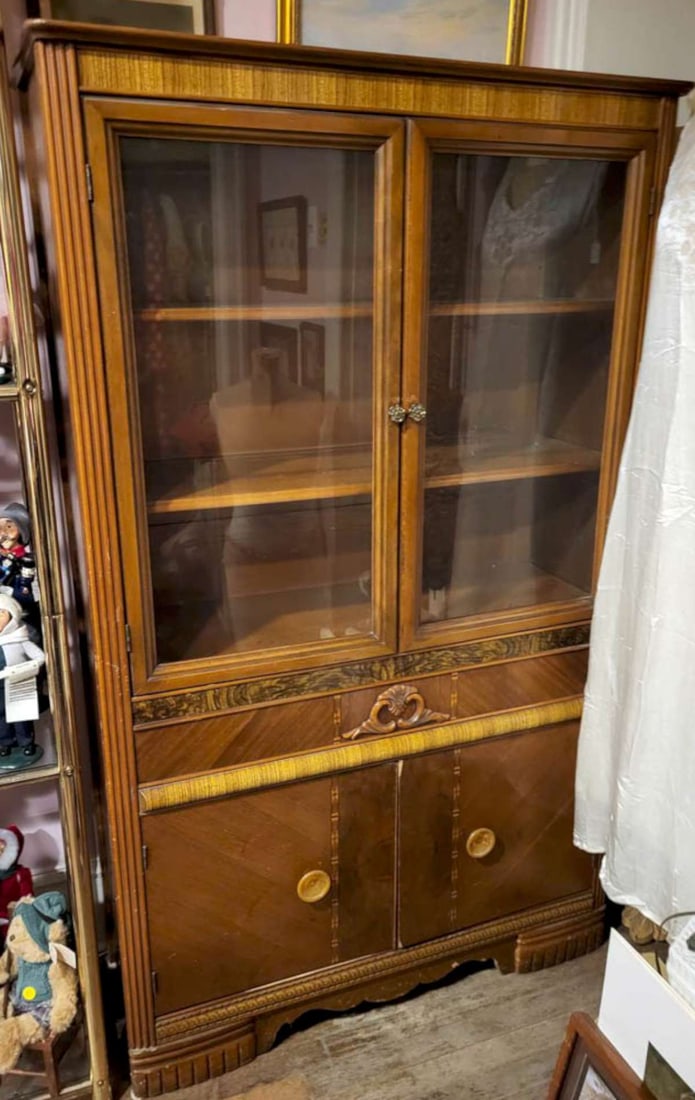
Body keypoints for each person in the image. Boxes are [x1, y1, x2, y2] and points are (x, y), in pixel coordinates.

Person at [0, 593, 44, 759]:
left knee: (20, 715)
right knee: (1, 716)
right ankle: (6, 743)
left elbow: (40, 657)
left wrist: (26, 669)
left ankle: (26, 743)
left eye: (1, 613)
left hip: (18, 682)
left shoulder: (20, 639)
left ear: (12, 616)